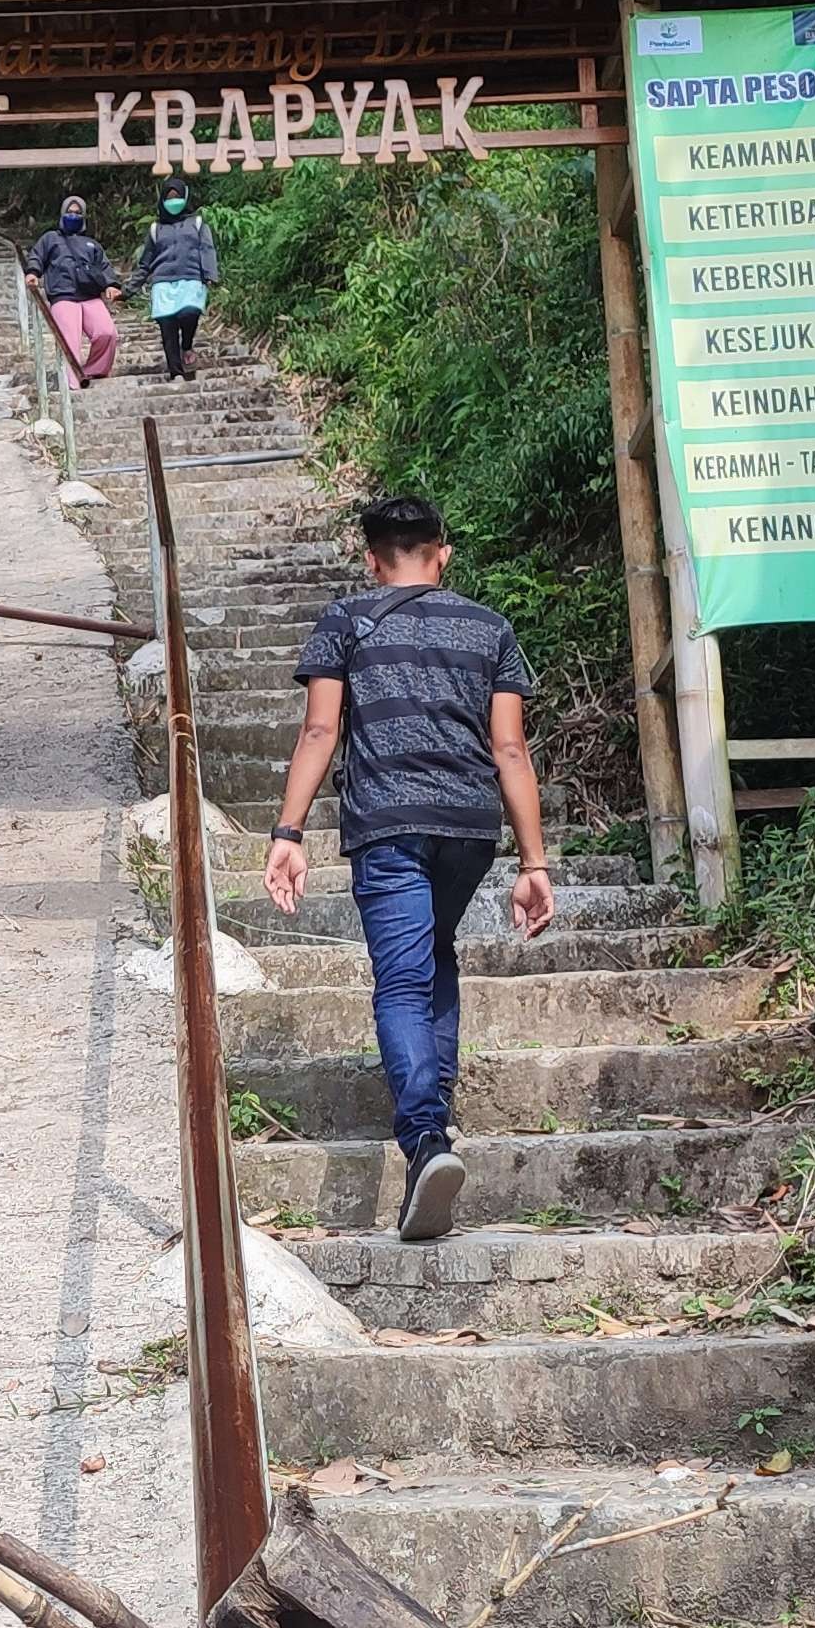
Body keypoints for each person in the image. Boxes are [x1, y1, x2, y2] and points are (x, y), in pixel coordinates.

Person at [260, 495, 555, 1242]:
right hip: (467, 828)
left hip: (388, 825)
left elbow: (321, 728)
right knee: (432, 956)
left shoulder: (347, 621)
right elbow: (510, 750)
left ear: (371, 559)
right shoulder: (490, 629)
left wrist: (289, 831)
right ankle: (437, 1123)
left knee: (400, 979)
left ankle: (426, 1140)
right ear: (442, 552)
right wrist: (535, 862)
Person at [22, 192, 120, 383]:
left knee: (106, 332)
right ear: (62, 213)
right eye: (69, 212)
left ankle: (95, 370)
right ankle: (72, 382)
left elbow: (104, 266)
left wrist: (112, 285)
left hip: (90, 295)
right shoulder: (50, 238)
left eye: (77, 213)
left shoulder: (92, 244)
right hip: (63, 295)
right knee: (70, 340)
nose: (73, 216)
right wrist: (33, 272)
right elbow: (37, 256)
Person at [137, 176, 217, 380]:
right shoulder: (156, 229)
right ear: (162, 200)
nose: (173, 201)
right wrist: (128, 290)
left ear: (185, 197)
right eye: (169, 197)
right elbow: (145, 262)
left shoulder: (197, 223)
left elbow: (207, 249)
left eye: (177, 196)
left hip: (191, 278)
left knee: (190, 313)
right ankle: (176, 372)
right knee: (167, 326)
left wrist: (210, 274)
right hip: (162, 283)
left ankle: (187, 345)